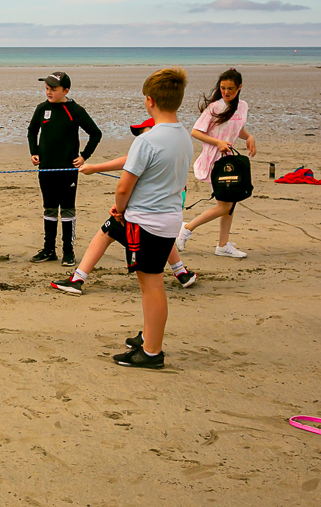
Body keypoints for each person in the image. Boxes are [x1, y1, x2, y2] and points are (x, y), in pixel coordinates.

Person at [108, 68, 195, 369]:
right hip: (169, 217)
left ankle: (152, 352)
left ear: (150, 101)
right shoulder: (184, 136)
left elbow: (124, 186)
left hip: (147, 222)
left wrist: (120, 209)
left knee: (151, 285)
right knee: (152, 283)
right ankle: (149, 338)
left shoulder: (147, 140)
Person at [51, 117, 197, 295]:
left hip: (142, 215)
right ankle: (181, 273)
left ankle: (77, 279)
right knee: (159, 237)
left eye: (145, 131)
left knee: (106, 232)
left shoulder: (152, 145)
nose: (142, 136)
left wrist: (119, 210)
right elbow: (129, 161)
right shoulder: (176, 144)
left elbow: (123, 187)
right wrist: (95, 168)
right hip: (167, 214)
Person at [175, 69, 256, 259]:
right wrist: (218, 142)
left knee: (231, 202)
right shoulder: (214, 108)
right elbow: (196, 132)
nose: (226, 92)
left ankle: (222, 245)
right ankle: (186, 229)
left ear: (239, 88)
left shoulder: (242, 106)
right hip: (214, 162)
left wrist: (249, 136)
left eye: (230, 89)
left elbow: (236, 127)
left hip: (229, 161)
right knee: (224, 206)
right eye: (222, 88)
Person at [27, 71, 102, 267]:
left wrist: (84, 156)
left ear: (66, 90)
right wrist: (34, 152)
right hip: (46, 169)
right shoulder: (42, 109)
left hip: (68, 170)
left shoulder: (74, 110)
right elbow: (32, 130)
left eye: (53, 89)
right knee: (49, 208)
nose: (48, 92)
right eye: (46, 89)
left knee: (67, 209)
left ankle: (68, 251)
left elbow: (95, 133)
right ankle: (49, 250)